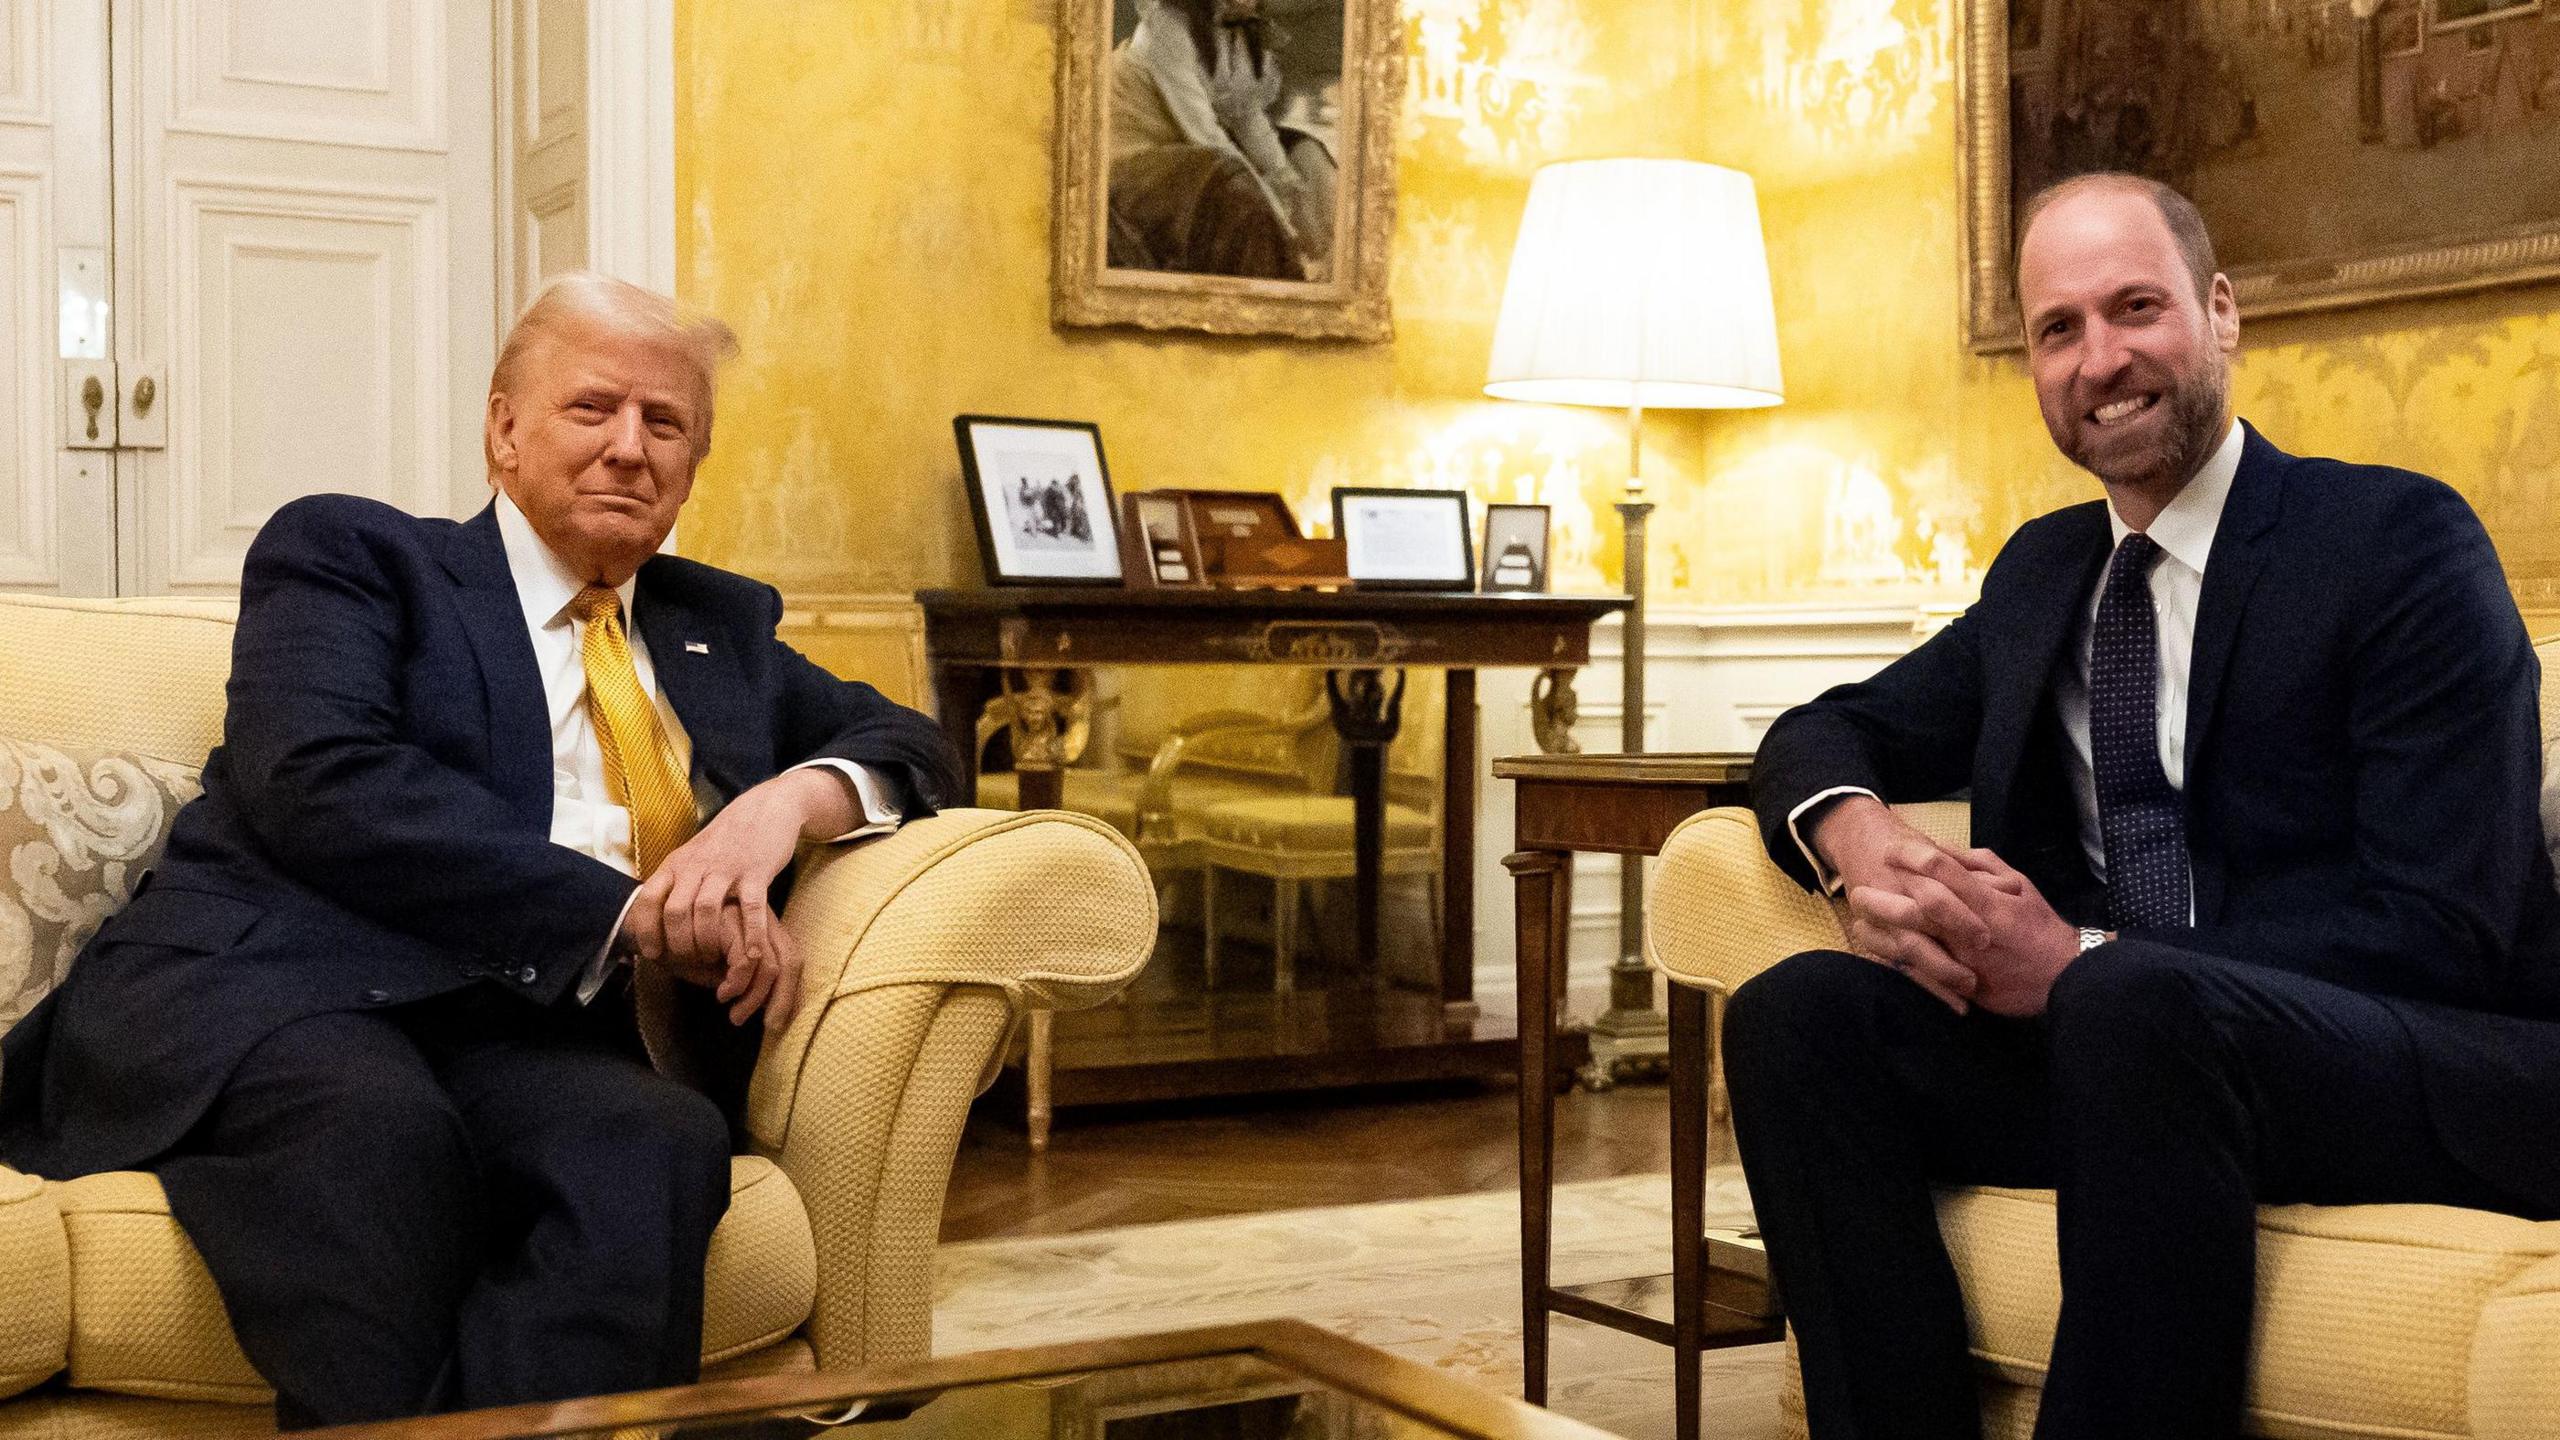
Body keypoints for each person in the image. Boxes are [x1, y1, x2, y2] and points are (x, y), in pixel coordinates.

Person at [0, 273, 958, 1427]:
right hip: (279, 995)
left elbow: (908, 740)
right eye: (592, 408)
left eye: (665, 425)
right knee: (376, 1137)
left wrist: (785, 805)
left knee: (654, 1142)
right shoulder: (360, 559)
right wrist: (628, 914)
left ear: (694, 465)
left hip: (519, 1028)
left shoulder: (717, 628)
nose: (628, 448)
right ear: (503, 427)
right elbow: (320, 779)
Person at [1725, 173, 2560, 1439]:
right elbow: (1824, 729)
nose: (2099, 358)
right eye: (2059, 329)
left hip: (2419, 1060)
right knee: (1800, 1015)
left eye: (2135, 308)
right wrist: (1861, 843)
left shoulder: (2394, 542)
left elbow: (2451, 929)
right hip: (2138, 1068)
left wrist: (2077, 960)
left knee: (2123, 999)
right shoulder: (2044, 573)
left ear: (2219, 314)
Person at [1107, 0, 1338, 280]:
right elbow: (1205, 136)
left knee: (1306, 156)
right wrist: (1281, 221)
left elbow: (1247, 117)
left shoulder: (1233, 34)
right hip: (1131, 155)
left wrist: (1286, 183)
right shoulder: (1166, 28)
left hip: (1184, 144)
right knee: (1233, 185)